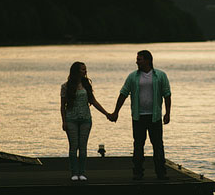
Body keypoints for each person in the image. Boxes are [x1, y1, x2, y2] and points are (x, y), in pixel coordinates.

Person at [111, 50, 171, 180]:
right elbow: (123, 94)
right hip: (138, 116)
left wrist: (167, 113)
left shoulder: (160, 75)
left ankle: (161, 172)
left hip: (154, 116)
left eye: (140, 59)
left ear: (148, 60)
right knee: (138, 145)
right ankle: (138, 172)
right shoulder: (133, 77)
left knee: (158, 145)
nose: (137, 61)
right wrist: (116, 112)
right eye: (137, 59)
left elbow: (167, 94)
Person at [61, 62, 111, 181]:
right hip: (71, 119)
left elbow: (93, 101)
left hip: (86, 120)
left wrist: (107, 114)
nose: (85, 71)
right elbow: (62, 106)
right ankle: (74, 172)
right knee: (74, 146)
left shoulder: (86, 85)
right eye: (83, 69)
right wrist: (64, 121)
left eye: (85, 69)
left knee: (83, 146)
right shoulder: (66, 86)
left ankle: (82, 173)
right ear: (76, 71)